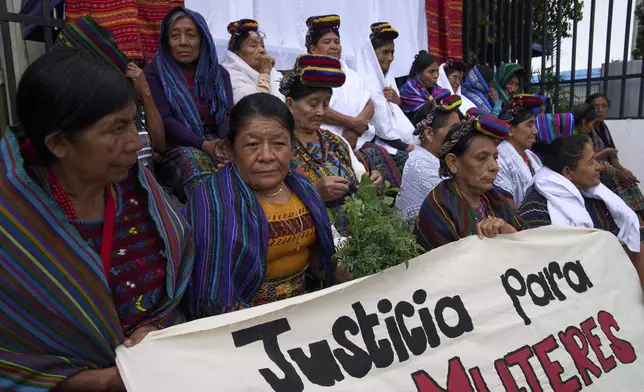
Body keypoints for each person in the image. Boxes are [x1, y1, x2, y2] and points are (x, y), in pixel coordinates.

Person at [0, 50, 193, 391]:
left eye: (134, 122)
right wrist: (96, 383)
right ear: (58, 143)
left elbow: (177, 286)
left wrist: (157, 330)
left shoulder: (138, 189)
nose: (136, 142)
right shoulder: (13, 223)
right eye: (117, 129)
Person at [186, 93, 343, 318]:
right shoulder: (213, 203)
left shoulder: (303, 189)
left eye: (279, 144)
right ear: (230, 149)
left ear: (293, 147)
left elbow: (320, 262)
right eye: (252, 144)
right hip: (248, 325)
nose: (267, 156)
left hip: (306, 312)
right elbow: (213, 298)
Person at [518, 136, 644, 282]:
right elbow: (535, 262)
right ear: (568, 172)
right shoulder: (536, 207)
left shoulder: (596, 196)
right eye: (591, 162)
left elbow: (631, 242)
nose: (598, 166)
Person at [144, 7, 234, 200]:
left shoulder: (219, 74)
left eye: (191, 35)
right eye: (175, 36)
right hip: (175, 146)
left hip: (216, 141)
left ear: (203, 40)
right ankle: (209, 218)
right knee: (197, 168)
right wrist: (204, 145)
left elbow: (227, 113)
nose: (183, 42)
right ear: (167, 42)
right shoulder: (154, 73)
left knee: (243, 163)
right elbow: (166, 120)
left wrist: (224, 145)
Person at [53, 15, 165, 168]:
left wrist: (145, 93)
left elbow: (160, 144)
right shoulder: (67, 105)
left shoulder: (128, 89)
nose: (135, 144)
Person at [305, 15, 403, 185]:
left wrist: (355, 130)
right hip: (326, 144)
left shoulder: (350, 73)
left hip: (357, 138)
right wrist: (352, 123)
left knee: (390, 171)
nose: (334, 46)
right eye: (327, 42)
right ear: (313, 49)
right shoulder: (307, 75)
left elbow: (370, 104)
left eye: (336, 42)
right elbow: (317, 108)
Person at [281, 54, 384, 212]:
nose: (321, 112)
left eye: (326, 104)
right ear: (290, 104)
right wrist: (314, 191)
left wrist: (372, 181)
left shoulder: (335, 141)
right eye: (313, 104)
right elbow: (273, 200)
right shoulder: (279, 146)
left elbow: (361, 178)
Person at [415, 115, 525, 251]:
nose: (494, 167)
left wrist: (510, 233)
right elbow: (448, 266)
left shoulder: (495, 199)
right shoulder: (438, 208)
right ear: (453, 163)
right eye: (482, 158)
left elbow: (526, 242)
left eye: (495, 158)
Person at [354, 21, 417, 168]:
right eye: (385, 52)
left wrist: (397, 101)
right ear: (371, 53)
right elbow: (378, 120)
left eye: (392, 52)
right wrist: (403, 146)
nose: (390, 57)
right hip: (374, 142)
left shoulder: (385, 77)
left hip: (396, 140)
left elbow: (393, 112)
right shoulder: (363, 78)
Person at [396, 88, 462, 221]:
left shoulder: (438, 160)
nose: (461, 136)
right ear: (429, 133)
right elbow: (461, 211)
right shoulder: (421, 167)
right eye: (454, 129)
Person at [577, 98, 644, 220]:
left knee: (629, 178)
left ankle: (639, 217)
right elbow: (588, 157)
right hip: (596, 167)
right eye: (596, 106)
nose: (600, 110)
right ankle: (633, 219)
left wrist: (623, 171)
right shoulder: (584, 129)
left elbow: (613, 157)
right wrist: (617, 171)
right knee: (617, 178)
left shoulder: (603, 128)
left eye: (604, 106)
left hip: (605, 166)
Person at [495, 94, 544, 206]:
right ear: (510, 129)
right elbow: (507, 207)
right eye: (529, 125)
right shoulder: (500, 159)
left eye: (534, 124)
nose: (535, 131)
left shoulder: (532, 157)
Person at [221, 18, 284, 103]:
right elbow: (256, 107)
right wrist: (264, 75)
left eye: (262, 45)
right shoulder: (229, 76)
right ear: (237, 52)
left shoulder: (274, 73)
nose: (262, 50)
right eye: (253, 46)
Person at [400, 50, 439, 117]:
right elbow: (426, 111)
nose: (436, 75)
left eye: (437, 71)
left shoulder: (438, 90)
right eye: (431, 71)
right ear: (418, 74)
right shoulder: (408, 91)